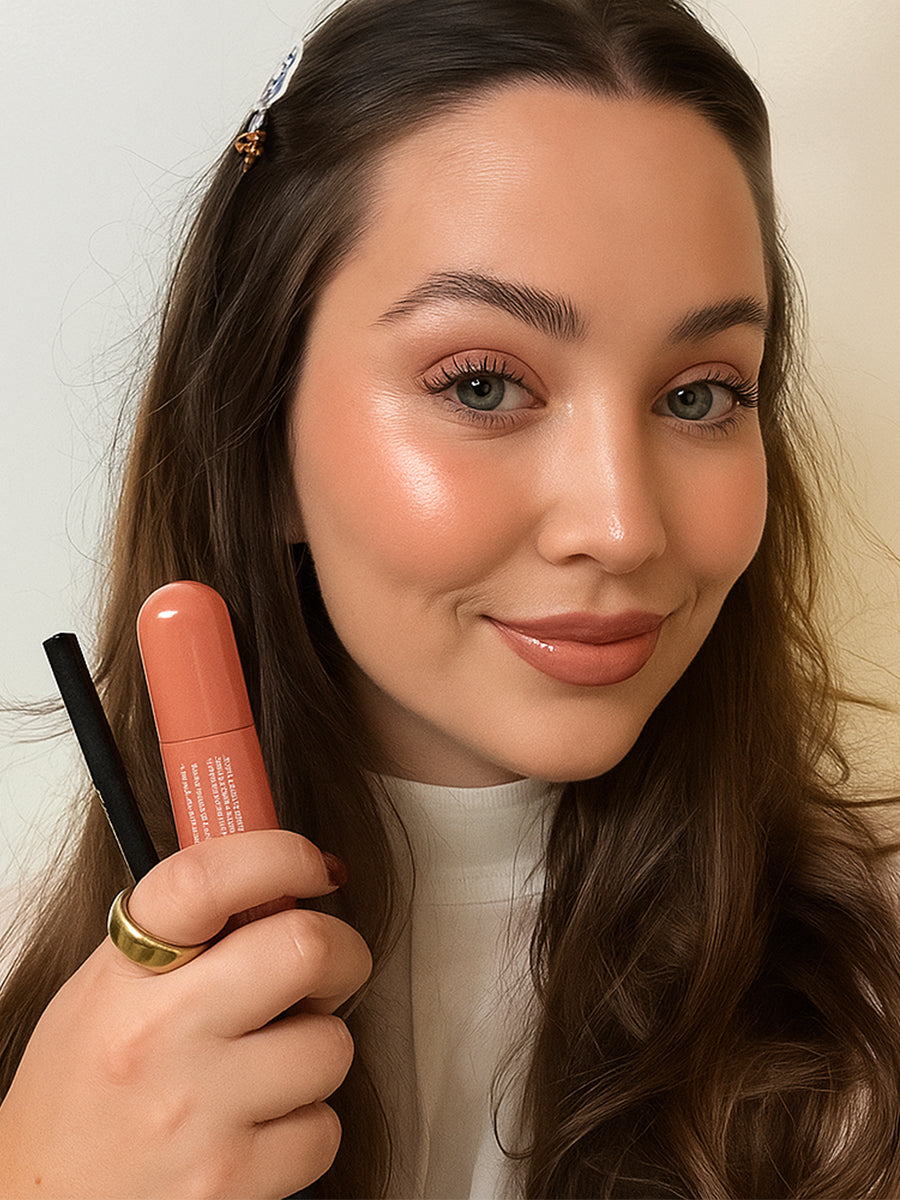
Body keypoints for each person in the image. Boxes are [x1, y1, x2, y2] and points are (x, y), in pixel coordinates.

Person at [1, 0, 898, 1196]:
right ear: (263, 443)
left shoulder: (874, 992)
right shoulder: (31, 995)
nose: (623, 526)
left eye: (699, 396)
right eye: (482, 384)